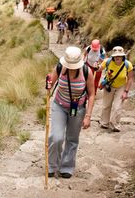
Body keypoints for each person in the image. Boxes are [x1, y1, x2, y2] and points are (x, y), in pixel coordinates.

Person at [46, 46, 95, 178]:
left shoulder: (87, 71)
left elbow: (91, 94)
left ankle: (67, 167)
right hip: (59, 106)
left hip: (78, 109)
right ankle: (51, 165)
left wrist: (88, 116)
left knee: (72, 139)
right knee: (56, 137)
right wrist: (48, 84)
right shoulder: (59, 68)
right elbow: (51, 82)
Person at [98, 46, 134, 132]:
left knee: (117, 107)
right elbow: (99, 69)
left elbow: (130, 79)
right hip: (109, 85)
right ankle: (104, 123)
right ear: (113, 56)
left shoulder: (127, 64)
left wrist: (126, 91)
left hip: (121, 86)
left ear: (123, 56)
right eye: (116, 56)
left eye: (120, 55)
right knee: (106, 105)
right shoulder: (107, 61)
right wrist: (96, 66)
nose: (117, 57)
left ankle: (115, 124)